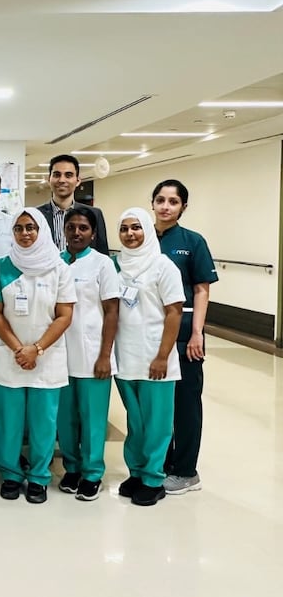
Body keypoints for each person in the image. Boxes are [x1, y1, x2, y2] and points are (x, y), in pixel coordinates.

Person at [0, 207, 76, 504]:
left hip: (46, 357)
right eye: (19, 228)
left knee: (43, 421)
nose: (25, 233)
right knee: (9, 420)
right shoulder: (0, 267)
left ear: (42, 231)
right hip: (8, 356)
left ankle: (38, 477)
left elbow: (64, 314)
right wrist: (18, 349)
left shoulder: (59, 268)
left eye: (31, 228)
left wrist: (36, 349)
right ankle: (10, 474)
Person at [113, 207, 184, 507]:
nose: (131, 234)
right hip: (125, 355)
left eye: (137, 228)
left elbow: (174, 312)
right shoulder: (115, 265)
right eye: (125, 229)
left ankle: (154, 478)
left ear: (148, 231)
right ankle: (137, 472)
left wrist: (163, 355)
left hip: (157, 356)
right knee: (136, 421)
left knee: (157, 422)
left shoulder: (163, 266)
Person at [152, 180, 218, 495]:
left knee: (185, 403)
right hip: (151, 333)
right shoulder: (141, 237)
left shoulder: (193, 242)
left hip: (184, 334)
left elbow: (202, 289)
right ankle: (160, 464)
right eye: (161, 200)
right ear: (152, 203)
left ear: (183, 208)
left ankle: (186, 470)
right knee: (158, 405)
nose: (166, 206)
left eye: (173, 201)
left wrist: (196, 334)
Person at [56, 207, 120, 501]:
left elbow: (111, 310)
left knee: (93, 418)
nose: (77, 233)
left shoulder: (102, 264)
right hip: (59, 357)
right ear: (64, 231)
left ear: (93, 233)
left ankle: (92, 473)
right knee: (65, 419)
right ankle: (72, 467)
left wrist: (105, 355)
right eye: (72, 227)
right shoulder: (55, 262)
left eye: (83, 228)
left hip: (93, 354)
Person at [36, 155, 109, 255]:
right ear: (49, 179)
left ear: (78, 181)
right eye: (57, 175)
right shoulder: (36, 215)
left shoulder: (94, 214)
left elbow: (102, 254)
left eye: (68, 175)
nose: (62, 180)